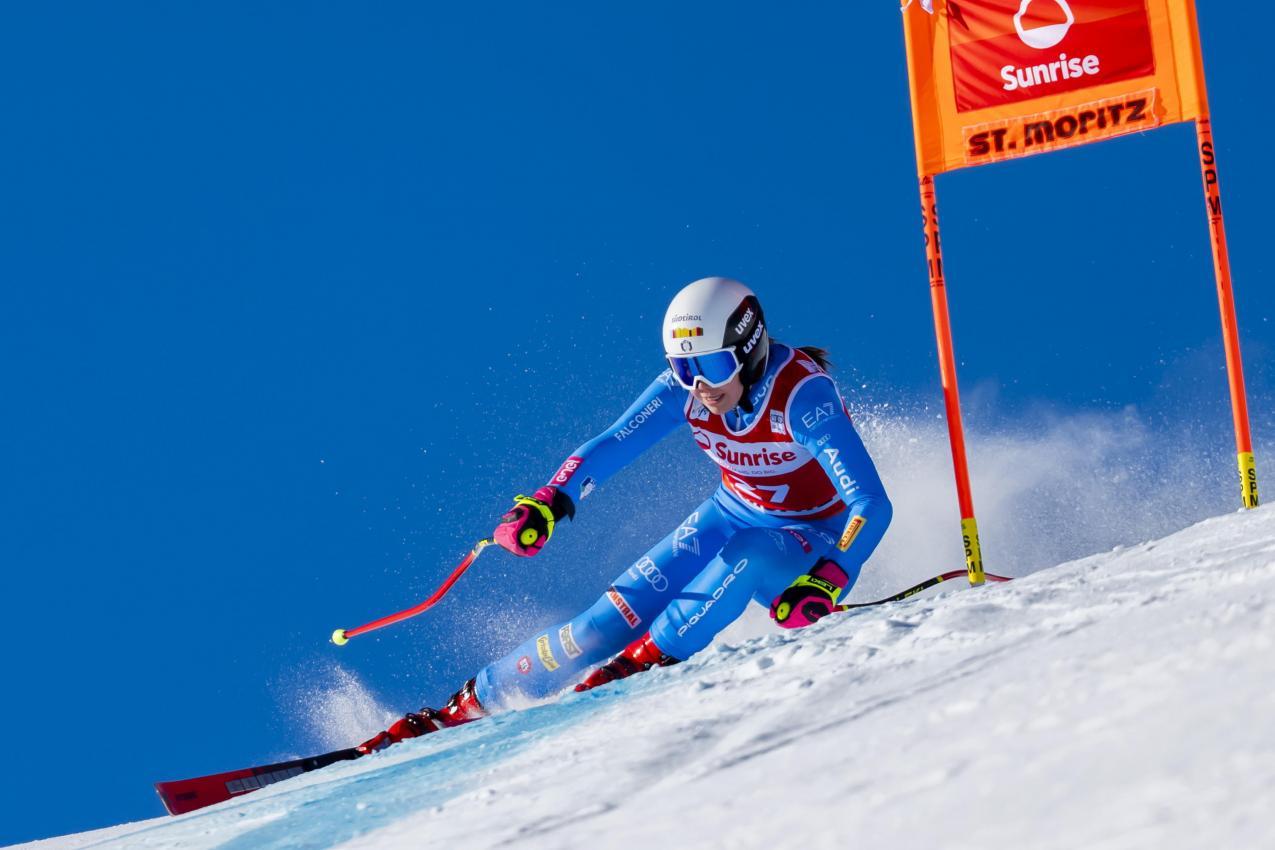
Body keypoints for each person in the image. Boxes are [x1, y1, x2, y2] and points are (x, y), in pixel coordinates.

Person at [356, 277, 893, 753]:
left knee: (745, 556)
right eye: (684, 369)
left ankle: (638, 666)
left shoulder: (802, 396)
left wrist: (829, 576)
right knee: (598, 625)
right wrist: (550, 500)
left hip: (809, 539)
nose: (700, 387)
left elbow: (871, 502)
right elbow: (613, 443)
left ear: (748, 350)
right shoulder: (686, 394)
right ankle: (460, 708)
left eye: (710, 366)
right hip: (730, 513)